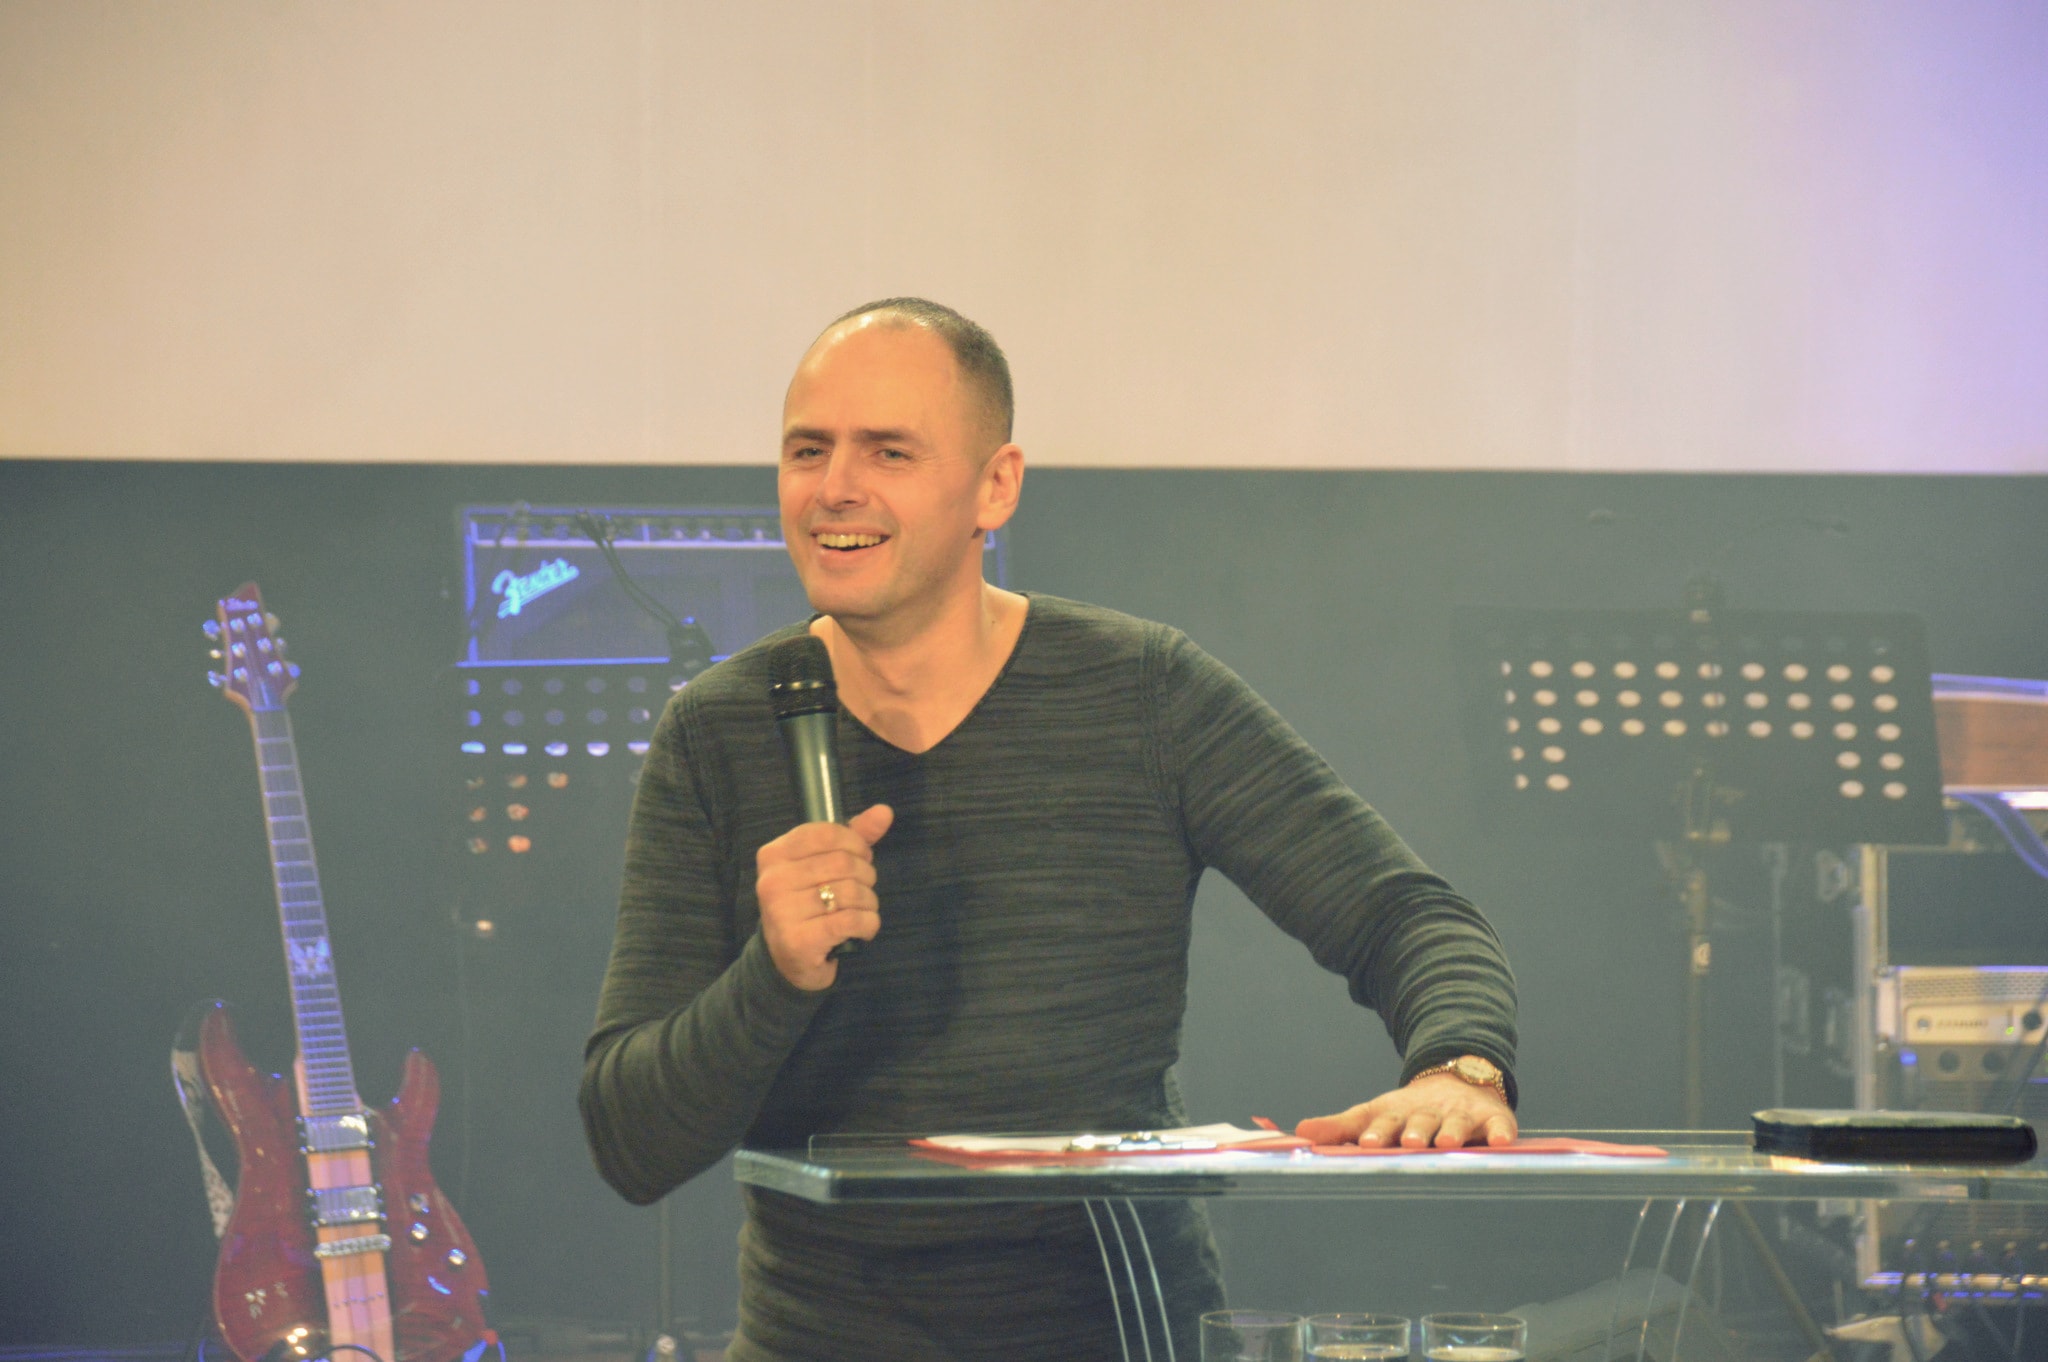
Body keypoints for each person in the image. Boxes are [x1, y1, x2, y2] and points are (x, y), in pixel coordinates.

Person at [580, 298, 1519, 1361]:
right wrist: (776, 975)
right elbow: (630, 1140)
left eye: (888, 451)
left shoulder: (1142, 690)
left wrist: (1460, 1068)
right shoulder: (717, 731)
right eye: (808, 450)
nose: (835, 486)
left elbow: (1405, 917)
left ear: (996, 486)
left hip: (1115, 1332)